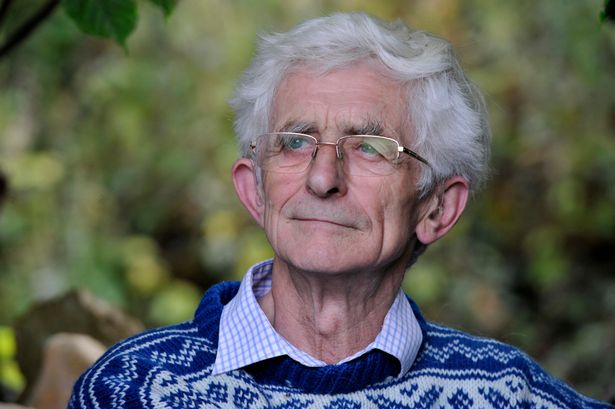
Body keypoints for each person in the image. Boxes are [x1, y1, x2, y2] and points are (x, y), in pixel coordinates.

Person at [68, 12, 613, 408]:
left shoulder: (506, 394)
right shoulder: (130, 388)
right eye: (295, 142)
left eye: (370, 148)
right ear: (254, 190)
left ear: (438, 208)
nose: (323, 178)